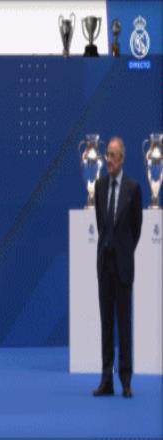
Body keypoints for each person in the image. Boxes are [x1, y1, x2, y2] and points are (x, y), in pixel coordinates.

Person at [93, 136, 142, 398]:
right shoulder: (99, 186)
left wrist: (123, 251)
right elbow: (101, 224)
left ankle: (125, 379)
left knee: (124, 324)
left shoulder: (133, 189)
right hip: (105, 266)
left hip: (123, 267)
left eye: (112, 156)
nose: (107, 160)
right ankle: (106, 379)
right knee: (106, 325)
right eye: (107, 155)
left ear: (121, 159)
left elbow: (136, 229)